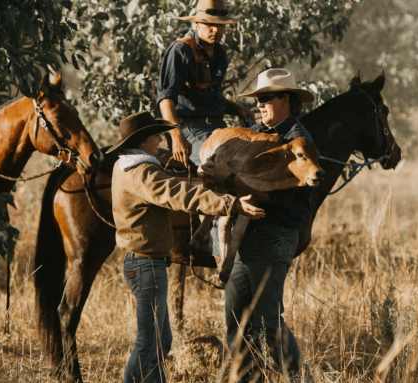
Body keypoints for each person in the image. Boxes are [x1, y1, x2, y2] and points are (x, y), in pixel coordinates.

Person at [109, 112, 265, 383]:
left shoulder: (125, 167)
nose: (160, 140)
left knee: (158, 339)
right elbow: (178, 194)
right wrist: (230, 203)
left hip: (143, 263)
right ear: (144, 141)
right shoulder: (142, 172)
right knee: (151, 342)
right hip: (146, 264)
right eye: (156, 136)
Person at [223, 68, 316, 382]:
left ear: (286, 100)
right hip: (245, 238)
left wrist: (259, 199)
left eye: (266, 99)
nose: (259, 105)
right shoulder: (253, 134)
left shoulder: (299, 140)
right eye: (258, 100)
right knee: (236, 318)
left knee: (267, 321)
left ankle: (295, 377)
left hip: (275, 236)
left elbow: (300, 199)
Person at [157, 0, 251, 168]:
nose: (215, 30)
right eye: (209, 24)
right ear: (196, 24)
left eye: (220, 26)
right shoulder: (180, 50)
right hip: (188, 128)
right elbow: (166, 99)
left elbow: (210, 96)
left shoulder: (220, 53)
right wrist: (176, 136)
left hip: (216, 126)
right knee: (222, 165)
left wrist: (238, 110)